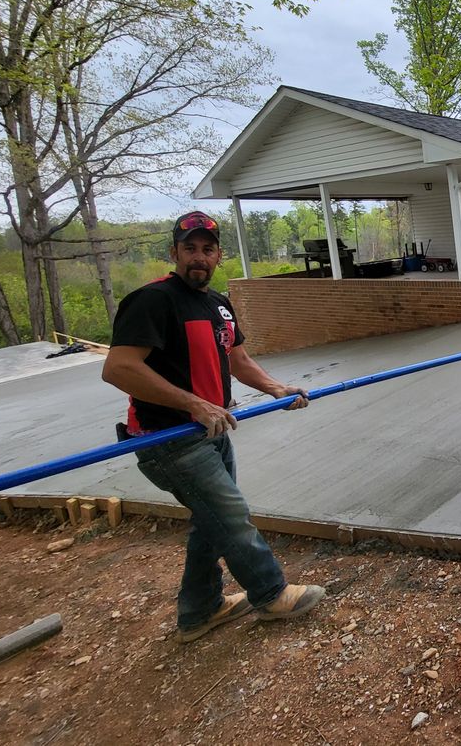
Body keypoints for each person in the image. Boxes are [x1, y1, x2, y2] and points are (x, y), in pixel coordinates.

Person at [102, 210, 325, 643]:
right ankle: (271, 593)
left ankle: (199, 611)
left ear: (219, 255)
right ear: (174, 253)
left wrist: (276, 388)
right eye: (189, 249)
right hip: (167, 440)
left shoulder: (218, 305)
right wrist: (195, 404)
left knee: (212, 521)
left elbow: (238, 361)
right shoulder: (153, 301)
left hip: (213, 431)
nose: (198, 257)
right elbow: (119, 369)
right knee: (230, 516)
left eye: (207, 249)